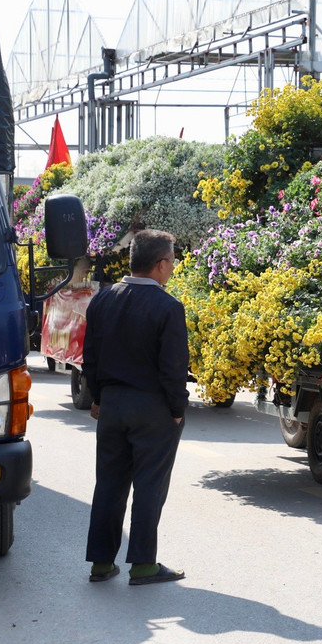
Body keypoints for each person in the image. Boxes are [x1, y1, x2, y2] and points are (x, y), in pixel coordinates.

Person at [84, 229, 190, 585]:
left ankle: (101, 562)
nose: (172, 269)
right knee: (149, 486)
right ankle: (143, 564)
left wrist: (98, 397)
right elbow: (173, 368)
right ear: (160, 265)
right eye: (171, 263)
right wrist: (177, 409)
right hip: (153, 408)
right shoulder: (168, 306)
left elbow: (91, 358)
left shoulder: (102, 300)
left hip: (112, 405)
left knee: (109, 483)